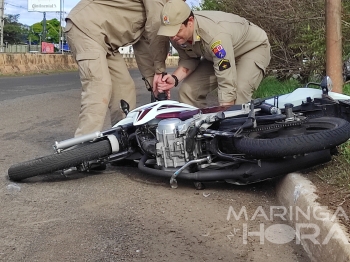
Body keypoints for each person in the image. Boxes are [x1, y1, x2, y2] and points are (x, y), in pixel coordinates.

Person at [64, 0, 169, 137]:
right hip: (86, 29)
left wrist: (153, 82)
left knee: (125, 87)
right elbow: (156, 29)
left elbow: (142, 46)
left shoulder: (153, 8)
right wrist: (160, 69)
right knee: (99, 86)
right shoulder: (158, 6)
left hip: (106, 42)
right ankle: (82, 149)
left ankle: (123, 139)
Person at [155, 0, 271, 107]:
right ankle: (199, 128)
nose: (173, 37)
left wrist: (226, 114)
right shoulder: (176, 36)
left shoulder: (214, 36)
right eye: (169, 33)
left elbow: (225, 78)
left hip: (251, 49)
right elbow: (189, 59)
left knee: (238, 94)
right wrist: (174, 78)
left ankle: (239, 128)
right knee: (188, 91)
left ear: (190, 22)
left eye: (177, 31)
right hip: (218, 55)